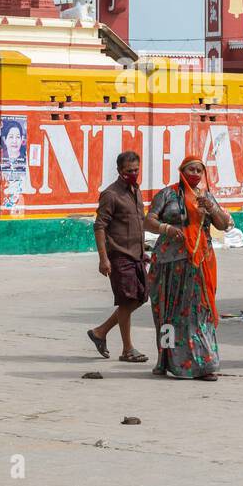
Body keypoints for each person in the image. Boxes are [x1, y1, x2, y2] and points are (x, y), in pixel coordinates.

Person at [144, 157, 233, 380]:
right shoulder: (168, 194)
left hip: (199, 264)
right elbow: (149, 221)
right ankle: (166, 360)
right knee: (168, 314)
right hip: (169, 264)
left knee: (198, 314)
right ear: (181, 171)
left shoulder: (206, 197)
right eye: (190, 169)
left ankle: (204, 363)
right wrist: (165, 228)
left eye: (198, 170)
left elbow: (223, 225)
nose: (195, 173)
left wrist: (211, 208)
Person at [88, 150, 149, 363]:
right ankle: (127, 349)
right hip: (119, 256)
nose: (133, 174)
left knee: (140, 298)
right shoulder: (111, 194)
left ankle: (100, 332)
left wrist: (145, 250)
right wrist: (103, 259)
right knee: (127, 300)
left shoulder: (136, 191)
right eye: (128, 171)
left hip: (137, 255)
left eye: (136, 170)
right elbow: (100, 226)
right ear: (119, 171)